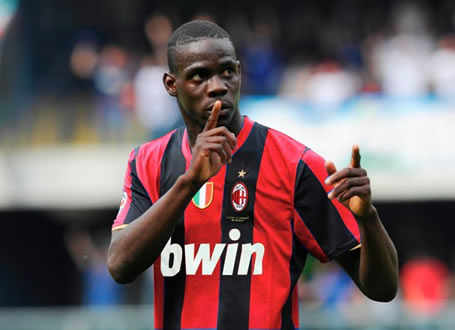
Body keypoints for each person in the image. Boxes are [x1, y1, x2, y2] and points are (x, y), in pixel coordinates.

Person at [107, 20, 398, 330]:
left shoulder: (295, 164)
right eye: (199, 76)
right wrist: (190, 182)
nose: (217, 85)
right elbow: (120, 266)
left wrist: (369, 219)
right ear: (171, 84)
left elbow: (382, 289)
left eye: (227, 72)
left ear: (239, 72)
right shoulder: (147, 162)